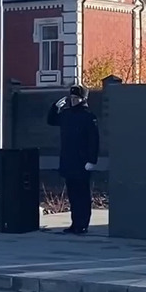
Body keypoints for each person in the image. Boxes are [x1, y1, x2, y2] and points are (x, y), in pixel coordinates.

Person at [46, 84, 100, 235]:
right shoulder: (67, 114)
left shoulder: (89, 116)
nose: (74, 100)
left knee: (82, 195)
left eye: (76, 98)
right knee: (73, 195)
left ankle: (82, 224)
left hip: (82, 162)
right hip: (69, 160)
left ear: (83, 99)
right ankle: (74, 223)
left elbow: (94, 140)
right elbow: (51, 120)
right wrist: (55, 107)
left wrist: (92, 160)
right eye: (72, 98)